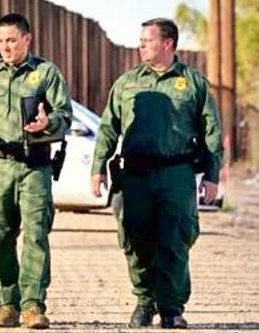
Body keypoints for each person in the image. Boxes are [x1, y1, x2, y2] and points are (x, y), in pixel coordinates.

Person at [90, 18, 223, 329]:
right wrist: (98, 168)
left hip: (176, 174)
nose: (141, 45)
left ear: (167, 43)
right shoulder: (127, 83)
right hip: (135, 175)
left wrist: (212, 175)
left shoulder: (193, 83)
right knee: (134, 239)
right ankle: (144, 301)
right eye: (140, 40)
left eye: (147, 40)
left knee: (175, 241)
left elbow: (212, 132)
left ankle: (172, 308)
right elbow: (108, 128)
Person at [0, 12, 72, 330]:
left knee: (36, 235)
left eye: (11, 40)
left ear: (27, 39)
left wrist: (48, 122)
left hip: (35, 166)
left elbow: (65, 115)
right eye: (1, 41)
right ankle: (7, 305)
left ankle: (33, 306)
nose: (5, 47)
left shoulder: (46, 73)